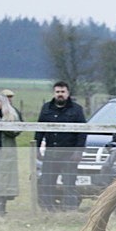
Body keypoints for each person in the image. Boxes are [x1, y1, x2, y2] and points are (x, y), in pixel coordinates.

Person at [34, 81, 86, 211]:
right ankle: (47, 210)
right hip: (51, 151)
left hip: (69, 152)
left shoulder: (76, 109)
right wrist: (37, 148)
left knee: (69, 183)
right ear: (54, 93)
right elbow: (39, 130)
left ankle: (70, 211)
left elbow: (82, 133)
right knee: (47, 182)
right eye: (58, 92)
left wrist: (78, 152)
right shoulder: (46, 108)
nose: (60, 95)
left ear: (68, 93)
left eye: (63, 92)